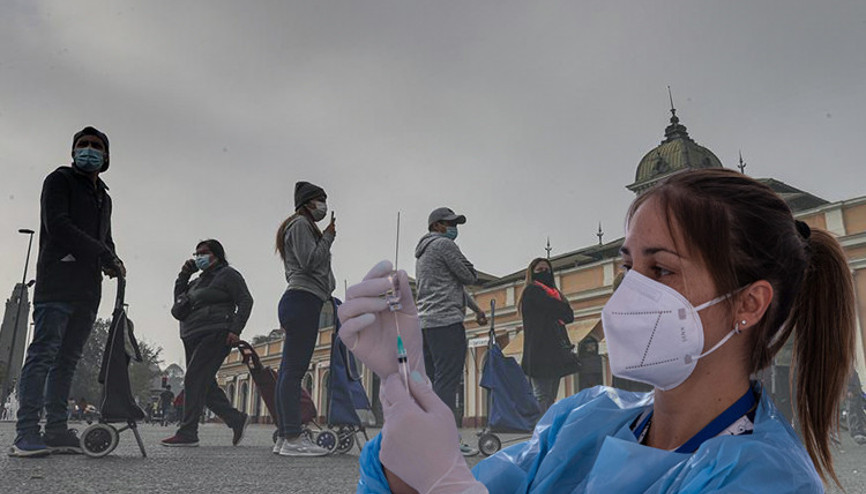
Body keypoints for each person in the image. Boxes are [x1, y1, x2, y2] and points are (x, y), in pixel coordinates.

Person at [341, 169, 855, 493]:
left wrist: (449, 488)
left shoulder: (766, 480)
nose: (628, 293)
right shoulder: (585, 421)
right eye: (628, 266)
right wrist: (404, 383)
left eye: (661, 270)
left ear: (748, 302)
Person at [10, 127, 125, 458]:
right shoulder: (59, 181)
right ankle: (26, 433)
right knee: (43, 354)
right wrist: (101, 253)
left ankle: (57, 430)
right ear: (73, 152)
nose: (89, 150)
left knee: (67, 361)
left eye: (96, 146)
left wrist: (113, 259)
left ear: (106, 157)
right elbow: (57, 224)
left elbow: (106, 238)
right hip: (57, 283)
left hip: (88, 290)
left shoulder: (104, 196)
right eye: (83, 145)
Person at [161, 239, 253, 447]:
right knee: (205, 385)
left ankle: (188, 432)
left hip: (216, 332)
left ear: (217, 255)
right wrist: (184, 276)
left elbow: (246, 300)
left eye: (203, 253)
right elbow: (178, 308)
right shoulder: (195, 283)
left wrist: (235, 330)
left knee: (194, 379)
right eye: (196, 254)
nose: (199, 257)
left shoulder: (228, 275)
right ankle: (236, 419)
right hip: (191, 334)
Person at [415, 207, 487, 455]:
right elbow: (468, 276)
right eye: (449, 223)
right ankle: (446, 440)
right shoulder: (444, 246)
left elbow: (452, 285)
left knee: (437, 382)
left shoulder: (423, 252)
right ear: (436, 225)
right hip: (446, 322)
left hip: (426, 325)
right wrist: (470, 268)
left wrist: (476, 309)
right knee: (447, 382)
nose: (454, 228)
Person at [273, 181, 336, 456]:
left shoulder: (302, 226)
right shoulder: (300, 225)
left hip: (302, 300)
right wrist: (329, 237)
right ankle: (293, 438)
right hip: (302, 300)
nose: (324, 205)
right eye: (320, 200)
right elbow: (311, 261)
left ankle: (284, 437)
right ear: (308, 202)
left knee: (288, 372)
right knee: (293, 373)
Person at [517, 258, 578, 413]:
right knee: (542, 395)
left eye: (547, 270)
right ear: (532, 273)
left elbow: (569, 315)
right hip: (539, 351)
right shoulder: (532, 291)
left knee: (550, 396)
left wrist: (557, 307)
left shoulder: (555, 294)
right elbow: (560, 310)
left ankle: (547, 429)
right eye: (540, 270)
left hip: (555, 351)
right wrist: (559, 307)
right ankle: (542, 429)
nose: (545, 273)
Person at [847, 369, 866, 444]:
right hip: (853, 390)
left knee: (858, 409)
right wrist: (849, 390)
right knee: (854, 409)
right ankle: (857, 432)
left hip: (856, 389)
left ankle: (860, 430)